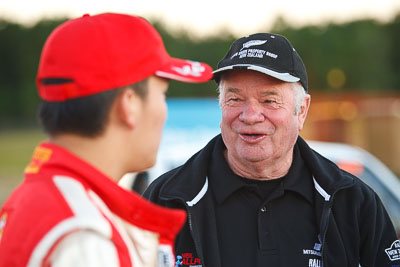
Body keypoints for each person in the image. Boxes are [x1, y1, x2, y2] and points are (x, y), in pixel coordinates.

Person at [144, 33, 400, 267]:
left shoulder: (352, 202)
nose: (250, 115)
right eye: (235, 99)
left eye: (269, 100)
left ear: (301, 111)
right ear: (221, 106)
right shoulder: (167, 200)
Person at [0, 13, 213, 267]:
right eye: (163, 94)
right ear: (129, 104)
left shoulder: (39, 197)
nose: (164, 111)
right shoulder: (85, 235)